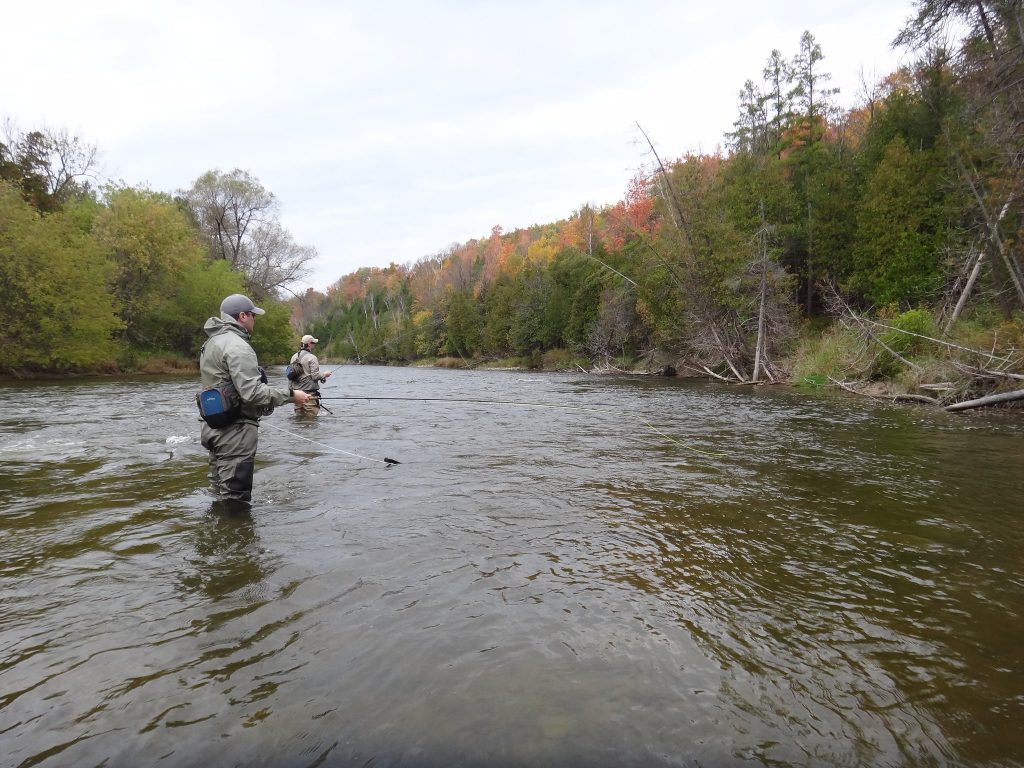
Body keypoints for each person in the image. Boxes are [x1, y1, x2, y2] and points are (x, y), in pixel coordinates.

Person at [199, 293, 312, 502]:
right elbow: (252, 393)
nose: (255, 320)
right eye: (253, 315)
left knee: (218, 494)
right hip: (235, 433)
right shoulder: (238, 346)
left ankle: (218, 532)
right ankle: (233, 532)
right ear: (242, 316)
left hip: (212, 427)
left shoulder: (211, 343)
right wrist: (291, 395)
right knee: (236, 499)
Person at [289, 334, 333, 415]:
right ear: (309, 344)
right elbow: (315, 376)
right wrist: (325, 374)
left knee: (298, 421)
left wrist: (291, 392)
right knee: (311, 422)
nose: (314, 345)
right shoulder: (312, 357)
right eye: (313, 343)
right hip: (309, 396)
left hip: (297, 396)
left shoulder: (293, 357)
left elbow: (290, 376)